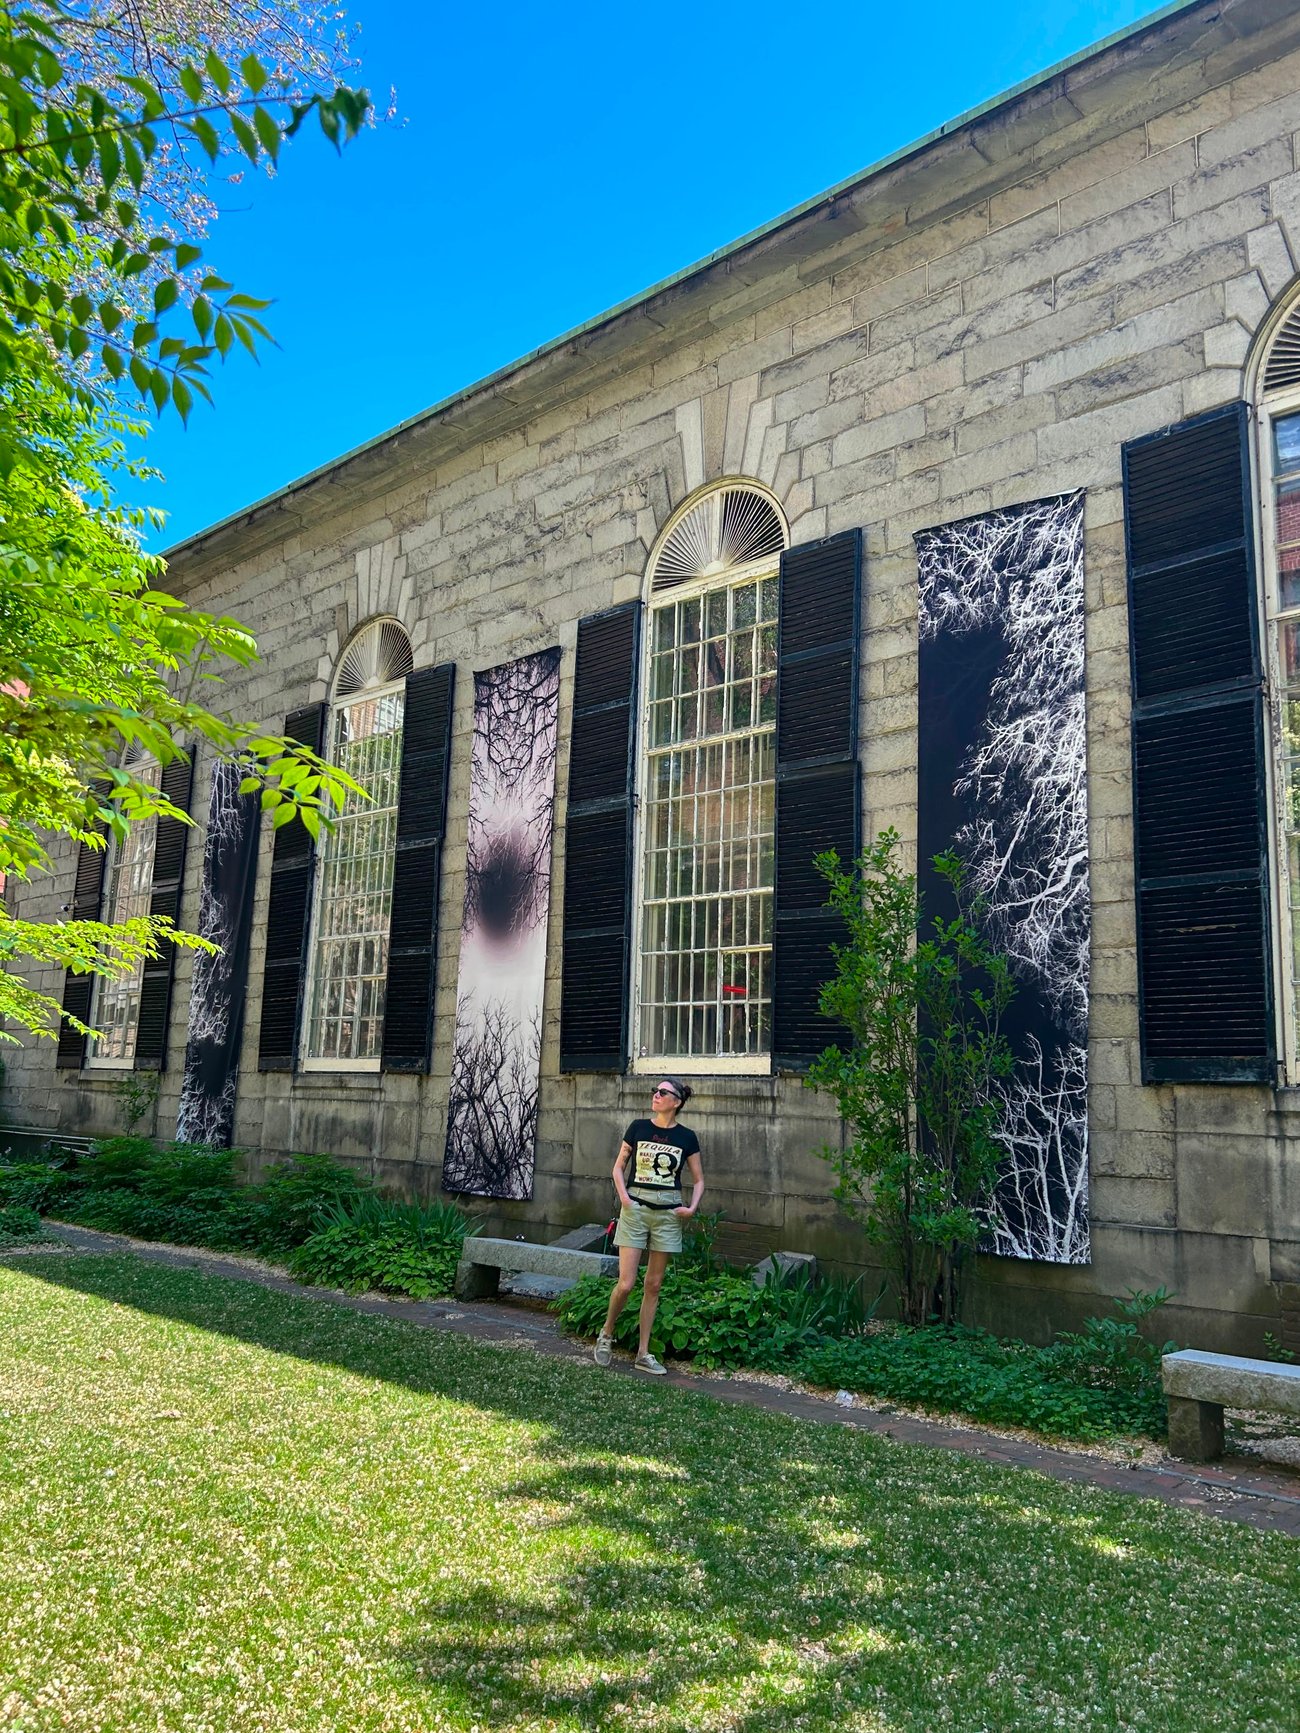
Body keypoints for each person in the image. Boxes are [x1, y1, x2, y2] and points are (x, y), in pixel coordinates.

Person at [594, 1078, 704, 1374]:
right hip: (636, 1207)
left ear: (676, 1101)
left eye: (663, 1092)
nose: (656, 1095)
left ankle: (643, 1353)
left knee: (653, 1285)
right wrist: (624, 1199)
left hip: (668, 1213)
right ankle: (606, 1333)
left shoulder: (687, 1137)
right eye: (655, 1091)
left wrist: (691, 1208)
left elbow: (699, 1179)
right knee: (626, 1283)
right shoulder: (638, 1127)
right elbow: (618, 1167)